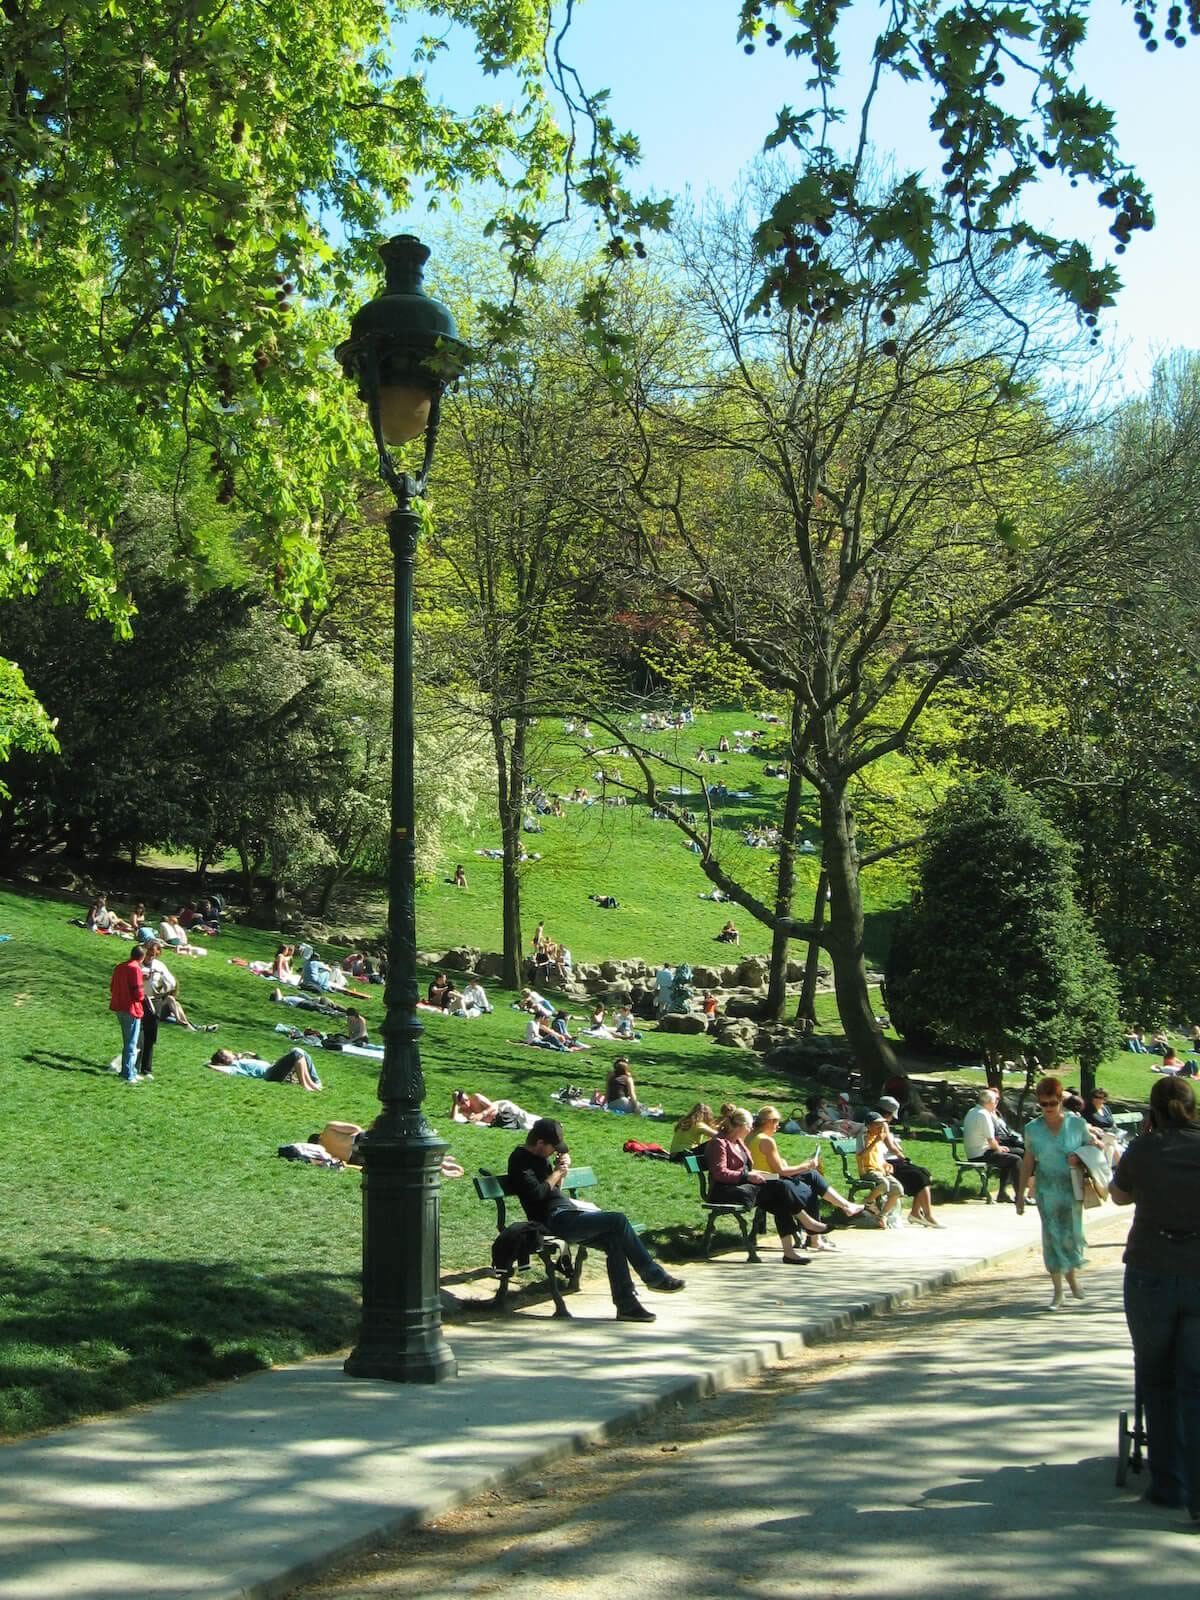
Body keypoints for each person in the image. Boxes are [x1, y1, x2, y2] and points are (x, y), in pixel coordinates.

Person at [1110, 1075, 1200, 1522]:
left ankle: (1169, 1484)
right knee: (1196, 1383)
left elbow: (1119, 1195)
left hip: (1150, 1270)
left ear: (1153, 1111)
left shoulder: (1142, 1148)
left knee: (1158, 1378)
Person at [506, 1117, 684, 1322]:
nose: (555, 1152)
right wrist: (556, 1172)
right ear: (539, 1143)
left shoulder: (540, 1158)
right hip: (553, 1220)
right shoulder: (519, 1160)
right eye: (553, 1148)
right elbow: (536, 1195)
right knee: (618, 1221)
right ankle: (655, 1277)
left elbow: (553, 1192)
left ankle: (627, 1306)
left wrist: (561, 1174)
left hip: (567, 1213)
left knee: (614, 1240)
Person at [706, 1107, 825, 1264]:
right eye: (749, 1126)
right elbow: (720, 1173)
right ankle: (807, 1223)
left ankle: (789, 1252)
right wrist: (748, 1175)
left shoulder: (739, 1142)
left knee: (781, 1196)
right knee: (780, 1188)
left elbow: (747, 1169)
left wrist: (759, 1173)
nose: (751, 1129)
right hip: (725, 1191)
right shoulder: (719, 1143)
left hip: (743, 1187)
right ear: (740, 1126)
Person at [1016, 1075, 1091, 1310]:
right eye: (1043, 1104)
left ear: (1060, 1100)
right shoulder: (1033, 1129)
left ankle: (1072, 1279)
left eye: (1052, 1103)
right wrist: (1020, 1194)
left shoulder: (1077, 1124)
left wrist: (1079, 1158)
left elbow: (1091, 1150)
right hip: (1046, 1189)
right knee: (1051, 1237)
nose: (1047, 1108)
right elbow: (1028, 1162)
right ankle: (1058, 1292)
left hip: (1071, 1187)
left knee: (1071, 1235)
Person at [747, 1106, 866, 1248]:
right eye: (776, 1122)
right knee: (811, 1181)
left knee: (811, 1176)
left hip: (764, 1179)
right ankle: (819, 1234)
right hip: (771, 1181)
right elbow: (782, 1171)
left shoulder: (751, 1136)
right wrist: (807, 1165)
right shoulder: (766, 1141)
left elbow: (767, 1164)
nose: (778, 1126)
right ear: (769, 1122)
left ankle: (844, 1208)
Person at [877, 1097, 942, 1225]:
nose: (892, 1119)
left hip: (891, 1160)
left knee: (925, 1173)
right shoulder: (881, 1123)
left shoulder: (879, 1122)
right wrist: (902, 1155)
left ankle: (916, 1213)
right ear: (887, 1113)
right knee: (920, 1176)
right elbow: (890, 1146)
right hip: (887, 1163)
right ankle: (927, 1215)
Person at [962, 1088, 1023, 1203]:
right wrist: (999, 1148)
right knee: (1016, 1159)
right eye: (995, 1101)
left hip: (974, 1152)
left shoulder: (972, 1111)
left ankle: (1002, 1193)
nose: (996, 1103)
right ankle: (1019, 1196)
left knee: (1013, 1154)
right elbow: (991, 1140)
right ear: (989, 1102)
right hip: (981, 1154)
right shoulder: (984, 1115)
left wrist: (1000, 1149)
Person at [856, 1114, 905, 1227]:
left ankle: (882, 1215)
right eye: (877, 1125)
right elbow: (862, 1155)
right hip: (867, 1170)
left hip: (880, 1170)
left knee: (898, 1189)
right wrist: (875, 1142)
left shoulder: (878, 1139)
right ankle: (866, 1203)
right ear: (869, 1126)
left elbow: (879, 1158)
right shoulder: (863, 1137)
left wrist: (886, 1164)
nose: (880, 1128)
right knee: (884, 1184)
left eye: (881, 1125)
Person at [109, 947, 146, 1083]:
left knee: (128, 1041)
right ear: (142, 957)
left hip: (119, 1006)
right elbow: (139, 993)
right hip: (131, 1008)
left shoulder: (120, 967)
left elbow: (112, 986)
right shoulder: (135, 968)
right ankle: (128, 1073)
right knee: (131, 1042)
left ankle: (132, 1070)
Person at [209, 1046, 322, 1090]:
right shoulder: (235, 1066)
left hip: (271, 1067)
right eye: (227, 1052)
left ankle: (314, 1082)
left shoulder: (239, 1060)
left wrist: (253, 1055)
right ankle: (306, 1085)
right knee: (296, 1054)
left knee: (300, 1052)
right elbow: (220, 1069)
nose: (230, 1051)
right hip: (270, 1074)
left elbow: (260, 1063)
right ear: (225, 1059)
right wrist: (210, 1064)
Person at [451, 1090, 535, 1130]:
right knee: (527, 1128)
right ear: (458, 1104)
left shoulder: (476, 1098)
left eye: (466, 1099)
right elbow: (453, 1118)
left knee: (527, 1119)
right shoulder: (463, 1112)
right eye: (462, 1103)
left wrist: (482, 1114)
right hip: (498, 1122)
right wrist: (455, 1103)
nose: (466, 1103)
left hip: (503, 1112)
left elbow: (494, 1106)